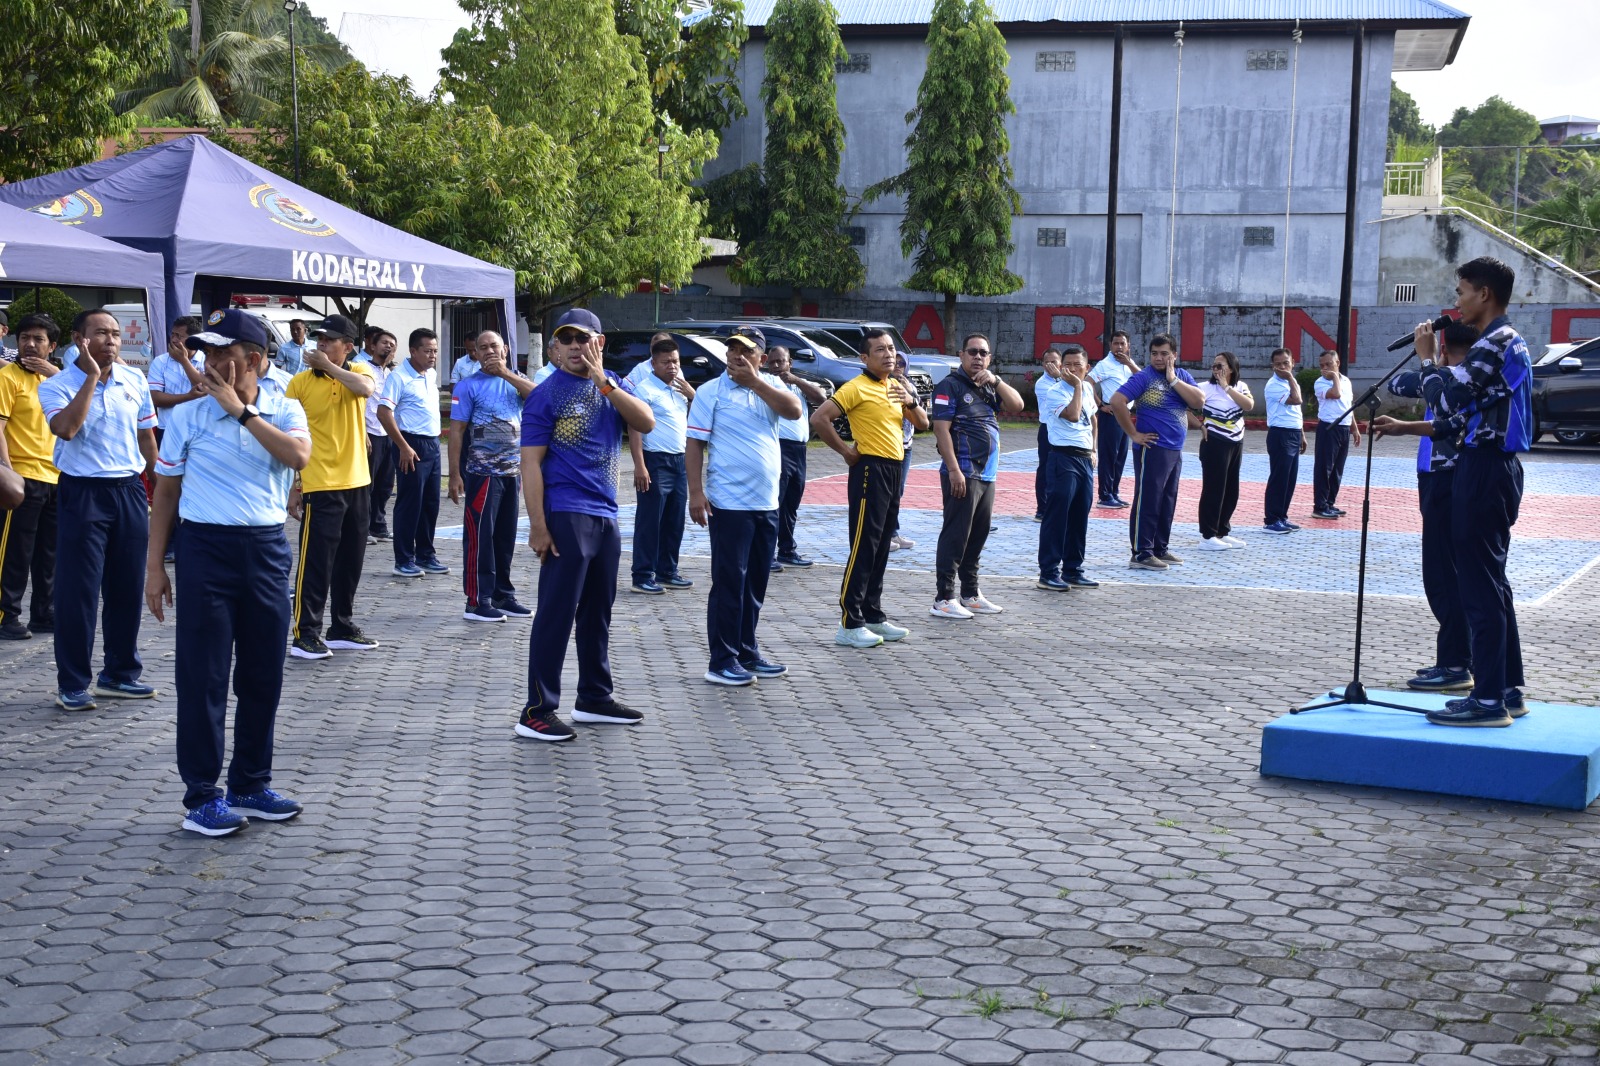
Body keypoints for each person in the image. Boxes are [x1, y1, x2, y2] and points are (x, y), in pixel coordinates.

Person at [145, 309, 312, 837]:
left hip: (265, 550)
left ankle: (251, 784)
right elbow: (166, 494)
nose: (210, 364)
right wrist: (155, 566)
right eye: (207, 354)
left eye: (223, 355)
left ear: (255, 361)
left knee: (263, 673)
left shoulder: (284, 408)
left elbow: (298, 457)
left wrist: (241, 413)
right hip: (205, 551)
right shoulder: (190, 417)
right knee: (204, 675)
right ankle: (202, 796)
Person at [516, 309, 655, 742]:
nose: (576, 347)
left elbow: (646, 422)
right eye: (567, 339)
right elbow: (530, 464)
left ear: (600, 345)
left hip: (606, 514)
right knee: (557, 613)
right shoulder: (546, 394)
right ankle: (537, 710)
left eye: (584, 339)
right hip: (566, 513)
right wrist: (538, 526)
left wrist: (604, 382)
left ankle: (594, 697)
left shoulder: (613, 385)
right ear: (555, 347)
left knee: (598, 612)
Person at [1405, 258, 1531, 728]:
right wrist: (1408, 427)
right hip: (1488, 466)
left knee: (1478, 586)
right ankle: (1506, 689)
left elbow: (1449, 396)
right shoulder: (1501, 345)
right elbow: (1465, 415)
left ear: (1484, 294)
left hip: (1484, 470)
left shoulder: (1495, 342)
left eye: (1461, 291)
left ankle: (1489, 700)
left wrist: (1425, 357)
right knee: (1490, 583)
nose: (1456, 301)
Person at [38, 308, 159, 711]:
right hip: (82, 492)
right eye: (100, 333)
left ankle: (120, 675)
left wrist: (159, 484)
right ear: (79, 339)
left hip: (128, 491)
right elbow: (66, 430)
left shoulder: (135, 380)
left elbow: (146, 437)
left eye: (115, 334)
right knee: (79, 593)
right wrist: (91, 377)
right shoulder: (57, 385)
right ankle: (73, 683)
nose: (111, 340)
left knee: (126, 588)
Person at [685, 325, 803, 686]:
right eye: (732, 348)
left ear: (761, 358)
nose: (737, 355)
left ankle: (747, 650)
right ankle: (722, 659)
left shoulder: (770, 387)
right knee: (728, 581)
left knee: (755, 581)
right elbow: (694, 445)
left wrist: (757, 383)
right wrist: (695, 492)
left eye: (746, 350)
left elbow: (795, 411)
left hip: (766, 500)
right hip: (729, 502)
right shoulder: (711, 392)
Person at [1372, 321, 1480, 693]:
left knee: (1443, 576)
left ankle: (1455, 663)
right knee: (1445, 575)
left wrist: (1428, 362)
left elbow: (1418, 392)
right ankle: (1457, 659)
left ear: (1446, 348)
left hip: (1447, 480)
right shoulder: (1447, 379)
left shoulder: (1455, 381)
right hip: (1435, 479)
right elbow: (1396, 387)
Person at [810, 328, 929, 649]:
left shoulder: (894, 386)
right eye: (880, 350)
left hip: (894, 469)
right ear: (864, 358)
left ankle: (873, 614)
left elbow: (923, 424)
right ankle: (850, 622)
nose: (889, 354)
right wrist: (847, 452)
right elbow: (820, 418)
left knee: (881, 547)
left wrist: (911, 399)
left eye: (891, 348)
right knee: (864, 546)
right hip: (869, 470)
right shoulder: (855, 388)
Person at [286, 313, 378, 660]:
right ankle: (305, 633)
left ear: (348, 347)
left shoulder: (358, 373)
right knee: (315, 563)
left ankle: (341, 626)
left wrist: (332, 368)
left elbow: (366, 390)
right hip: (319, 482)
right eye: (318, 339)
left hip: (357, 481)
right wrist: (295, 485)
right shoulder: (299, 383)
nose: (320, 345)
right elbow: (290, 433)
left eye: (328, 340)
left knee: (350, 561)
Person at [928, 333, 1022, 618]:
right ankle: (944, 598)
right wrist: (954, 470)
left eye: (983, 353)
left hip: (987, 474)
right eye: (972, 352)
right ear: (961, 355)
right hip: (963, 472)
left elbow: (1017, 406)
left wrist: (997, 381)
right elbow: (940, 430)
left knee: (977, 536)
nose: (978, 357)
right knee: (956, 536)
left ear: (989, 358)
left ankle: (970, 593)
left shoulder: (988, 386)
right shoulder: (949, 386)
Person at [449, 330, 533, 623]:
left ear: (506, 349)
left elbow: (539, 399)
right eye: (482, 348)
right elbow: (457, 431)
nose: (488, 352)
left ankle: (502, 594)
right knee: (479, 538)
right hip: (482, 474)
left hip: (513, 473)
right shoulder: (467, 386)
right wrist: (454, 475)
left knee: (505, 536)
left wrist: (507, 374)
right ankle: (477, 600)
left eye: (494, 346)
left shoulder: (516, 380)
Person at [1108, 334, 1204, 570]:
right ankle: (1142, 552)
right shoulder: (1144, 378)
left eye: (1164, 353)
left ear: (1174, 355)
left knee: (1167, 499)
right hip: (1152, 449)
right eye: (1154, 353)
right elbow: (1117, 401)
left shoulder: (1181, 376)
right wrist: (1133, 434)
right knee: (1148, 499)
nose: (1159, 358)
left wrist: (1172, 380)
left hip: (1174, 448)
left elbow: (1199, 401)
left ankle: (1160, 547)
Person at [0, 313, 63, 640]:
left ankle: (43, 613)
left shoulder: (58, 380)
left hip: (55, 477)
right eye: (25, 337)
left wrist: (59, 377)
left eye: (39, 339)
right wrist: (7, 472)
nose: (30, 344)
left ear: (52, 346)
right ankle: (6, 615)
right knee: (14, 553)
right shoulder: (7, 378)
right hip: (21, 477)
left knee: (48, 554)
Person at [628, 334, 695, 595]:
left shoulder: (681, 389)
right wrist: (640, 466)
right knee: (649, 521)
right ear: (653, 364)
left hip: (679, 461)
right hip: (655, 460)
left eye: (676, 361)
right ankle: (642, 574)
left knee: (674, 520)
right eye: (666, 362)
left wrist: (692, 395)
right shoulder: (644, 390)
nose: (673, 366)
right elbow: (634, 429)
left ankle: (668, 570)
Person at [377, 328, 447, 578]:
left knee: (431, 503)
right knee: (410, 503)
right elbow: (384, 413)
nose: (432, 356)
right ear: (413, 350)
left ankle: (426, 555)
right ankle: (403, 559)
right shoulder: (399, 377)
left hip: (433, 444)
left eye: (435, 351)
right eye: (427, 351)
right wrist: (403, 446)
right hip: (410, 445)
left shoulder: (430, 374)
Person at [1036, 345, 1100, 592]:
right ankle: (1048, 571)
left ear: (1087, 368)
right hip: (1063, 457)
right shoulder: (1055, 390)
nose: (1072, 369)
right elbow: (1073, 415)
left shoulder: (1087, 387)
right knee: (1057, 515)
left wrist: (1094, 450)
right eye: (1067, 365)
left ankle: (1073, 569)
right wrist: (1074, 386)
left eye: (1078, 365)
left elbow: (1093, 418)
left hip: (1085, 459)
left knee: (1079, 516)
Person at [765, 345, 825, 569]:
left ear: (790, 363)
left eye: (781, 361)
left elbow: (821, 397)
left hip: (799, 450)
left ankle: (787, 549)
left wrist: (796, 381)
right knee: (775, 502)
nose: (777, 366)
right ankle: (767, 553)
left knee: (791, 502)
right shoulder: (767, 386)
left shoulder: (798, 386)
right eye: (772, 362)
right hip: (778, 447)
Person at [1195, 351, 1253, 550]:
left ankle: (1222, 530)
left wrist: (1226, 387)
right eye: (1214, 365)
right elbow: (1183, 406)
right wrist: (1200, 425)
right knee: (1214, 489)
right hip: (1215, 443)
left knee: (1231, 489)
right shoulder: (1204, 388)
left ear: (1231, 368)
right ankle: (1208, 535)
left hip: (1236, 442)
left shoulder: (1240, 387)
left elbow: (1249, 405)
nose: (1216, 369)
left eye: (1221, 365)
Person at [354, 327, 399, 542]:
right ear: (372, 346)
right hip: (370, 433)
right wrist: (362, 432)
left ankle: (378, 525)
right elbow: (358, 404)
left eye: (392, 343)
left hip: (388, 433)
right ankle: (361, 528)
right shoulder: (362, 369)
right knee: (367, 485)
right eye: (384, 342)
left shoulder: (390, 373)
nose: (388, 346)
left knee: (385, 484)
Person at [1089, 329, 1138, 508]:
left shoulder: (1128, 363)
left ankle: (1114, 492)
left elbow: (1144, 378)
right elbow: (1087, 383)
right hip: (1111, 415)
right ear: (1110, 345)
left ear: (1128, 346)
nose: (1119, 347)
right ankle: (1104, 495)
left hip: (1126, 414)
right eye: (1116, 343)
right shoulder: (1105, 364)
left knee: (1121, 455)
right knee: (1109, 455)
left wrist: (1130, 363)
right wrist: (1101, 404)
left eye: (1122, 343)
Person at [1311, 349, 1361, 519]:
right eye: (1322, 365)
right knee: (1324, 468)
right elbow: (1335, 394)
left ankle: (1330, 503)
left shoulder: (1346, 381)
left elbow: (1348, 405)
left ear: (1337, 363)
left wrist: (1354, 428)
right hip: (1328, 427)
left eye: (1329, 364)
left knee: (1338, 468)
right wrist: (1333, 377)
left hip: (1344, 427)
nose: (1325, 368)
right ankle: (1320, 505)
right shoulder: (1320, 383)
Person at [1262, 348, 1307, 535]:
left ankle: (1282, 516)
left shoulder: (1291, 381)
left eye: (1286, 363)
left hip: (1293, 432)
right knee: (1279, 478)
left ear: (1293, 362)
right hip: (1280, 434)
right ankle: (1271, 520)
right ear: (1272, 366)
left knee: (1290, 479)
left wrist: (1302, 434)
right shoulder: (1274, 385)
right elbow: (1297, 400)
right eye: (1278, 364)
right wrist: (1289, 378)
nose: (1282, 367)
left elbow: (1296, 412)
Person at [146, 316, 206, 442]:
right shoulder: (160, 361)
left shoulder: (206, 360)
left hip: (200, 429)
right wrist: (188, 396)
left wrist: (183, 360)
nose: (173, 340)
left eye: (179, 336)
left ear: (192, 340)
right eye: (172, 334)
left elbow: (205, 390)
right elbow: (154, 398)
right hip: (168, 428)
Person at [887, 352, 918, 553]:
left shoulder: (909, 385)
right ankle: (884, 534)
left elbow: (921, 413)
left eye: (902, 363)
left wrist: (909, 392)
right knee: (886, 493)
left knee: (898, 492)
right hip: (888, 446)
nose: (897, 366)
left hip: (906, 446)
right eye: (895, 362)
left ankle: (893, 532)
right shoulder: (884, 385)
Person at [1033, 349, 1061, 521]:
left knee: (1060, 469)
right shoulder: (1042, 384)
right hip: (1047, 429)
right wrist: (1059, 377)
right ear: (1043, 364)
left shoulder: (1066, 379)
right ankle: (1041, 508)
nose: (1051, 365)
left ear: (1060, 363)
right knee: (1045, 469)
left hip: (1062, 430)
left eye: (1055, 361)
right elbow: (1058, 397)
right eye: (1047, 362)